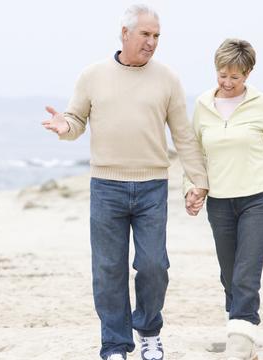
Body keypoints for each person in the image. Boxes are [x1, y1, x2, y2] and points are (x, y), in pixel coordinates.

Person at [42, 4, 208, 360]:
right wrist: (64, 127)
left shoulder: (168, 78)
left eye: (156, 36)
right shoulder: (92, 75)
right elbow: (74, 120)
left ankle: (148, 331)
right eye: (145, 35)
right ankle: (115, 345)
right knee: (108, 269)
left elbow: (183, 135)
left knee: (153, 266)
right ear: (125, 34)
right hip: (106, 186)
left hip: (152, 187)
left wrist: (198, 181)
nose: (151, 43)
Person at [184, 38, 263, 360]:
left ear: (249, 73)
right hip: (220, 202)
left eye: (235, 77)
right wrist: (192, 187)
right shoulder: (202, 105)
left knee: (245, 274)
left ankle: (238, 346)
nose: (227, 83)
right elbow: (194, 153)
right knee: (229, 275)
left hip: (259, 199)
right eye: (221, 75)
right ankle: (246, 340)